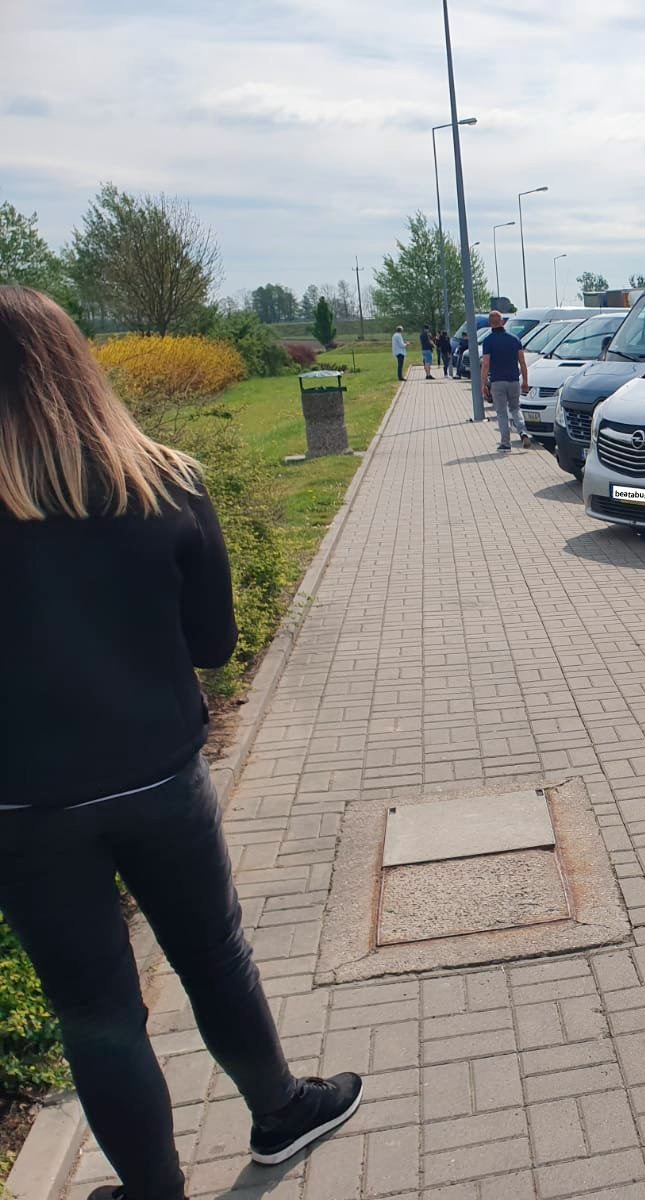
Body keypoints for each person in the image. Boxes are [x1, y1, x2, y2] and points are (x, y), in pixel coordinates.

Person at [0, 285, 363, 1200]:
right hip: (158, 776)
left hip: (23, 807)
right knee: (213, 956)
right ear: (78, 365)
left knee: (97, 1016)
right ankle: (281, 1112)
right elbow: (211, 645)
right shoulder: (166, 480)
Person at [480, 310, 530, 450]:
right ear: (502, 322)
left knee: (501, 413)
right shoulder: (514, 339)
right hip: (514, 381)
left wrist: (483, 384)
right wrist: (525, 381)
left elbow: (485, 364)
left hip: (497, 382)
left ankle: (505, 443)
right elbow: (522, 362)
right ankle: (523, 432)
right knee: (515, 408)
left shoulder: (488, 341)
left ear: (490, 323)